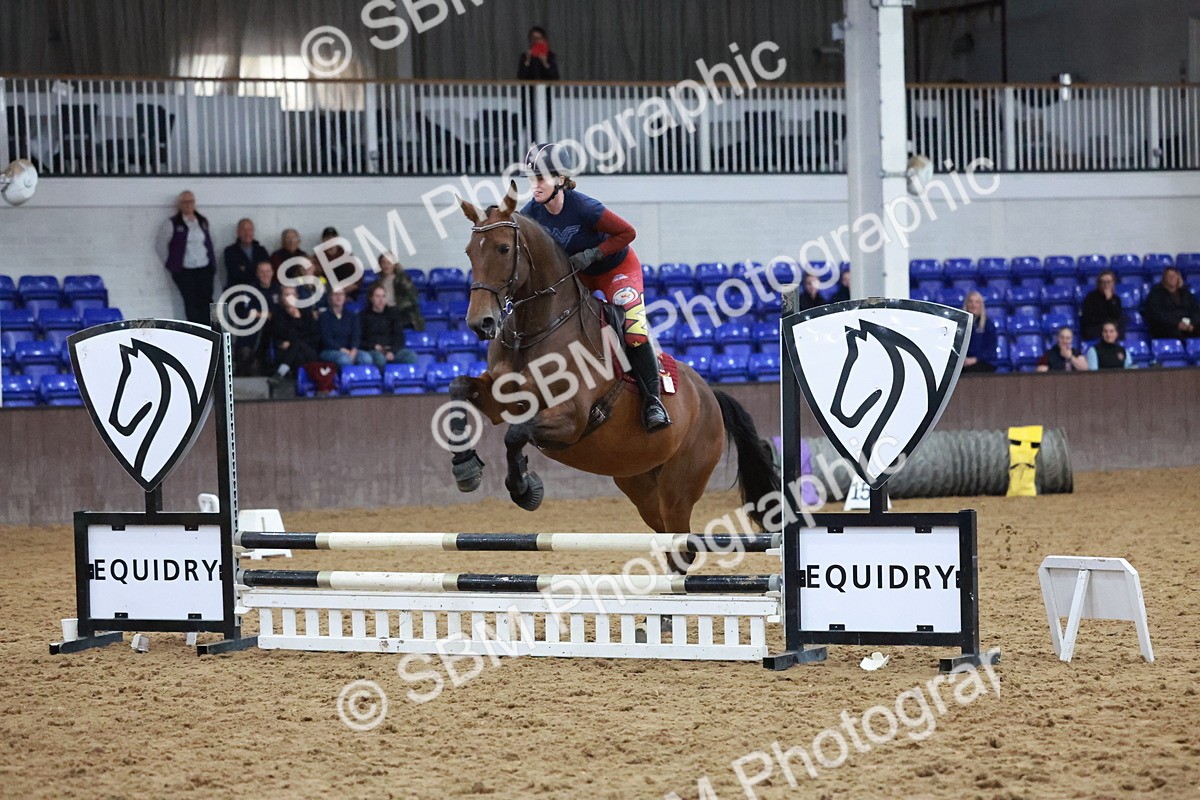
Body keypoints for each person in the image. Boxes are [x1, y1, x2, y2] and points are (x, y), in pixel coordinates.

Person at [520, 142, 668, 432]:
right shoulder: (530, 215)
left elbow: (628, 232)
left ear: (560, 180)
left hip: (616, 270)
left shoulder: (586, 207)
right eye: (531, 179)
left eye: (541, 178)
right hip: (580, 276)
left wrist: (594, 253)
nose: (534, 186)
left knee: (634, 332)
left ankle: (653, 402)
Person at [156, 190, 217, 325]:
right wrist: (171, 264)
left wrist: (212, 264)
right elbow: (161, 245)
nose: (188, 205)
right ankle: (196, 332)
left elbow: (211, 241)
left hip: (204, 268)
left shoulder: (202, 221)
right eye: (185, 202)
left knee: (208, 301)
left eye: (191, 202)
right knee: (191, 303)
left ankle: (212, 332)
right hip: (185, 270)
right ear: (179, 205)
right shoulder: (172, 223)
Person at [232, 260, 280, 376]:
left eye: (268, 271)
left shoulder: (278, 289)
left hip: (274, 329)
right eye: (261, 272)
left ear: (273, 272)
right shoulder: (249, 290)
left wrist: (265, 314)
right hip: (253, 330)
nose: (265, 274)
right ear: (257, 274)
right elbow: (247, 313)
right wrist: (267, 315)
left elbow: (282, 312)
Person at [360, 283, 417, 368]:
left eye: (383, 296)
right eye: (377, 296)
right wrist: (374, 346)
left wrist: (392, 351)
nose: (381, 300)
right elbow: (359, 340)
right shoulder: (362, 316)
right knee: (380, 359)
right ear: (371, 298)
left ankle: (400, 379)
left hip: (391, 349)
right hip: (373, 350)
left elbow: (399, 336)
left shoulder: (393, 314)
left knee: (410, 356)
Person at [517, 26, 559, 135]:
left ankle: (542, 149)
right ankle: (533, 150)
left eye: (538, 38)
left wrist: (545, 63)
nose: (535, 41)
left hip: (545, 96)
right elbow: (521, 77)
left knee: (545, 124)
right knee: (530, 125)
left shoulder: (550, 56)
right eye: (533, 39)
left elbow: (555, 78)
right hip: (529, 96)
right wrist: (527, 61)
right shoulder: (525, 56)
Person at [318, 288, 373, 367]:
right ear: (330, 297)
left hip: (350, 350)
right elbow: (326, 339)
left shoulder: (352, 316)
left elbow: (356, 336)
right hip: (330, 350)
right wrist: (343, 350)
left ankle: (359, 379)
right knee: (344, 360)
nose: (339, 297)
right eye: (336, 294)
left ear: (345, 297)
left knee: (366, 358)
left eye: (341, 294)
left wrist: (353, 350)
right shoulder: (324, 317)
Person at [1142, 266, 1199, 338]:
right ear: (1164, 278)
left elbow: (1196, 309)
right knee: (1175, 333)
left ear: (1178, 277)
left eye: (1174, 276)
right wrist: (1177, 323)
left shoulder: (1185, 292)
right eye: (1169, 276)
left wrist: (1192, 323)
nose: (1172, 278)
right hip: (1166, 326)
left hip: (1186, 323)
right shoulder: (1156, 292)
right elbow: (1157, 314)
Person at [377, 252, 425, 330]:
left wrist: (397, 307)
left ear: (394, 264)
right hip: (384, 312)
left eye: (389, 263)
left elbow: (413, 298)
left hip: (403, 313)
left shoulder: (403, 279)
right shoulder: (378, 281)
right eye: (383, 262)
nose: (386, 265)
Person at [222, 218, 270, 290]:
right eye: (243, 230)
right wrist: (257, 272)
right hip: (238, 291)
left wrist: (246, 269)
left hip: (260, 290)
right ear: (238, 232)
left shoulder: (261, 250)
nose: (247, 233)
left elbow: (267, 272)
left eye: (250, 230)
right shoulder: (230, 251)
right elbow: (236, 274)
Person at [1080, 270, 1124, 340]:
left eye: (1109, 282)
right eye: (1103, 282)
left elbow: (1117, 316)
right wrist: (1105, 325)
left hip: (1111, 328)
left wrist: (1109, 301)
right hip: (1096, 328)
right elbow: (1088, 318)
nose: (1106, 285)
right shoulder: (1090, 297)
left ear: (1113, 283)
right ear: (1099, 284)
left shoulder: (1116, 299)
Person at [962, 290, 999, 373]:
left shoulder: (988, 325)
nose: (973, 305)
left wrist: (975, 359)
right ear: (967, 304)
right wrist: (964, 359)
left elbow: (990, 350)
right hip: (964, 362)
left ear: (981, 305)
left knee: (970, 371)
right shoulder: (961, 324)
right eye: (971, 301)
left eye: (977, 302)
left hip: (985, 362)